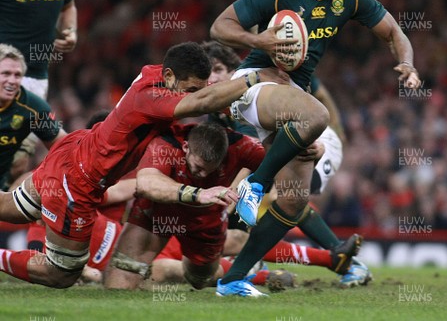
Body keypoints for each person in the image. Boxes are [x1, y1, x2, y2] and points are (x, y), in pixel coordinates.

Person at [210, 0, 420, 296]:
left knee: (293, 200)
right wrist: (257, 40)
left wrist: (407, 63)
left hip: (293, 94)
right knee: (317, 117)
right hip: (255, 82)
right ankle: (256, 184)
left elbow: (392, 32)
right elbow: (220, 26)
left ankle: (232, 280)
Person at [0, 41, 287, 289]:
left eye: (196, 89)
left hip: (73, 150)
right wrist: (256, 77)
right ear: (170, 75)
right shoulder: (151, 97)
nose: (192, 94)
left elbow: (207, 97)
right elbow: (202, 103)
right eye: (189, 89)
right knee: (60, 274)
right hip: (79, 181)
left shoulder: (157, 74)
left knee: (10, 208)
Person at [103, 122, 360, 290]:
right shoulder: (164, 145)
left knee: (200, 276)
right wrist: (197, 194)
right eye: (196, 168)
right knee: (122, 284)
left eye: (208, 170)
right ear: (185, 148)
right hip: (157, 216)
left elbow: (288, 168)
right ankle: (262, 272)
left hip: (207, 220)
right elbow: (144, 184)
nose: (201, 175)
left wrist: (317, 150)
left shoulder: (241, 141)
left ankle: (328, 257)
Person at [202, 41, 372, 288]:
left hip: (316, 139)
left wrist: (337, 129)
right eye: (207, 72)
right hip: (282, 150)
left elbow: (319, 91)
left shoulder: (253, 93)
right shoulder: (218, 111)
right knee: (273, 198)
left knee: (284, 192)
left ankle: (345, 260)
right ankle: (336, 257)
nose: (212, 77)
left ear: (234, 71)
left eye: (217, 69)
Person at [0, 0, 77, 179]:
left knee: (19, 162)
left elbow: (69, 7)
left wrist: (71, 32)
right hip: (1, 74)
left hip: (35, 78)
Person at [0, 44, 66, 190]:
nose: (12, 81)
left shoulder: (33, 108)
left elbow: (65, 146)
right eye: (6, 73)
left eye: (17, 75)